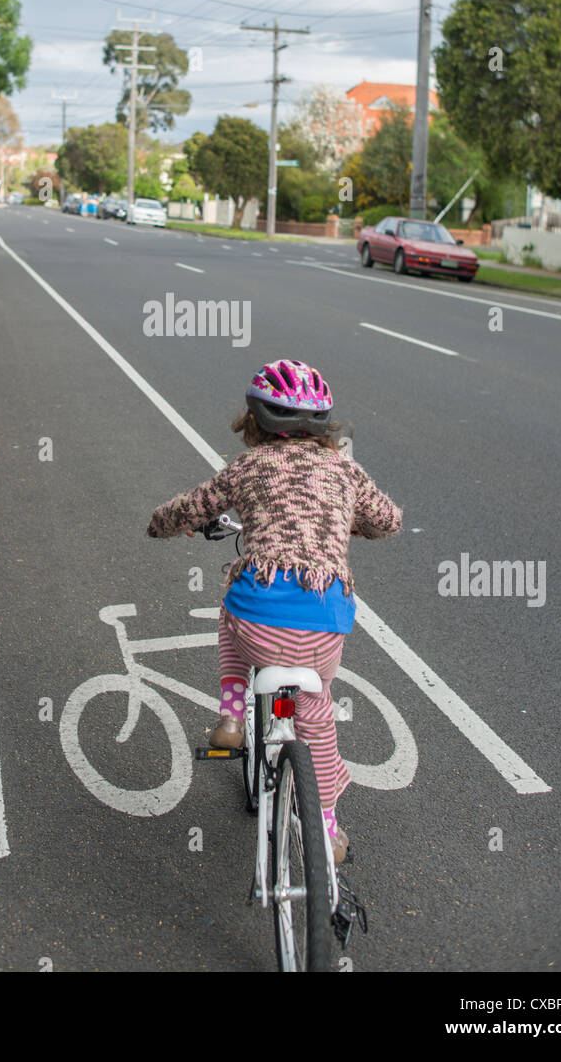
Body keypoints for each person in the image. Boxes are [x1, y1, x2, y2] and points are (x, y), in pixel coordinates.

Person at [146, 358, 402, 864]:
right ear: (325, 425)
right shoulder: (346, 470)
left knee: (231, 607)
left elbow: (191, 508)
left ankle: (231, 716)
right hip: (323, 624)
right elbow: (388, 521)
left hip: (255, 622)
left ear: (255, 421)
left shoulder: (248, 467)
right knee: (317, 719)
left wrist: (159, 525)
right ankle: (327, 828)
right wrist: (354, 525)